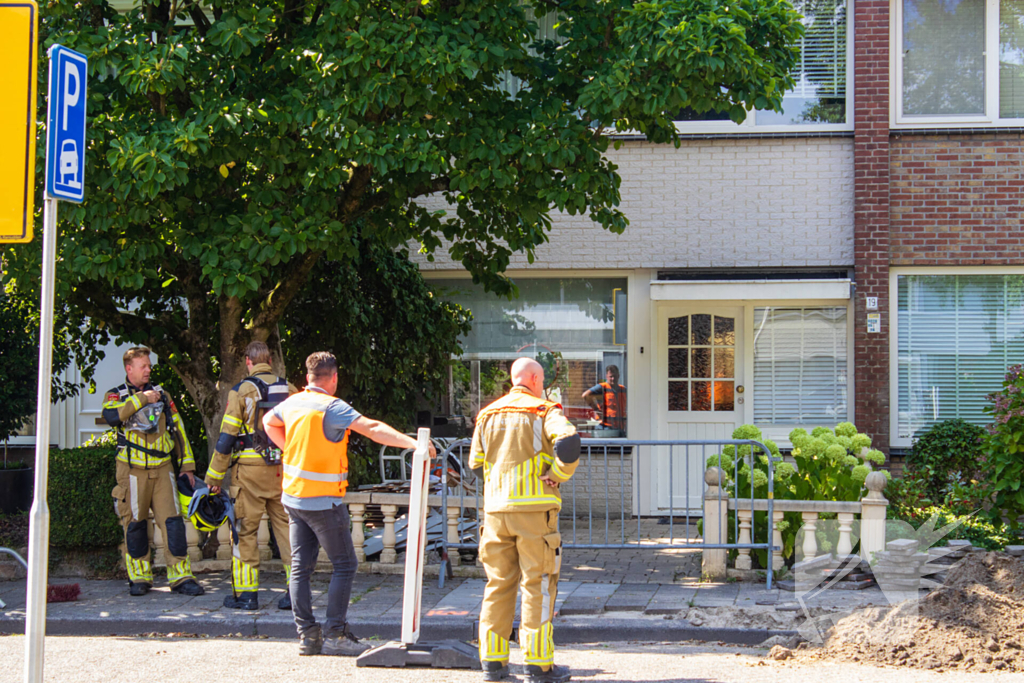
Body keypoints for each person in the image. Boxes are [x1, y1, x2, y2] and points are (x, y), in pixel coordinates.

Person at [262, 351, 436, 656]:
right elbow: (372, 428)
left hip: (293, 497)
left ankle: (307, 636)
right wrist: (413, 443)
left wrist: (288, 448)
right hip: (323, 502)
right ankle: (335, 634)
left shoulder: (293, 402)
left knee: (300, 568)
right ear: (334, 378)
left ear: (308, 378)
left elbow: (267, 421)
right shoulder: (332, 407)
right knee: (345, 564)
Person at [472, 357, 581, 683]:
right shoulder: (544, 410)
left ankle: (493, 664)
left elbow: (476, 465)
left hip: (495, 513)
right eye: (542, 379)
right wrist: (556, 475)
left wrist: (500, 489)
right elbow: (570, 443)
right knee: (537, 586)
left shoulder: (487, 414)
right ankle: (539, 667)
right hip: (534, 515)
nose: (543, 385)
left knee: (498, 585)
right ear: (534, 378)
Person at [102, 346, 204, 597]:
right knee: (135, 524)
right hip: (132, 471)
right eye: (143, 366)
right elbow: (112, 417)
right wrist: (142, 399)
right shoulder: (116, 394)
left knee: (173, 524)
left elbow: (178, 430)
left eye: (149, 365)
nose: (149, 369)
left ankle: (181, 577)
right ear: (129, 368)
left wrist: (187, 466)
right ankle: (139, 578)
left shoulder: (162, 394)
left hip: (163, 469)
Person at [206, 341, 298, 611]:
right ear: (269, 360)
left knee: (245, 532)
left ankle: (247, 596)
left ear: (248, 361)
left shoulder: (241, 391)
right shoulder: (290, 389)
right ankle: (295, 594)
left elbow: (226, 438)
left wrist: (213, 479)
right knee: (287, 531)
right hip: (283, 471)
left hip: (249, 473)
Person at [581, 365, 627, 435]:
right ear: (606, 376)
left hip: (620, 428)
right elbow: (585, 395)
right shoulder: (602, 387)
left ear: (618, 376)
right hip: (604, 427)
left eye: (615, 376)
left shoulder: (623, 389)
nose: (613, 379)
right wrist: (596, 409)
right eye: (610, 376)